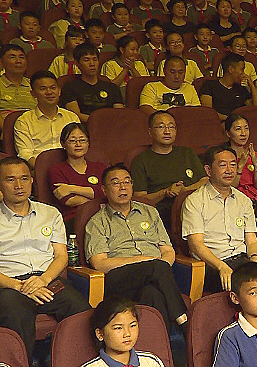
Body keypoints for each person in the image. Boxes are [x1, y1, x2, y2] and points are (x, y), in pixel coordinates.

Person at [0, 156, 90, 357]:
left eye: (24, 178)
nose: (18, 185)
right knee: (16, 315)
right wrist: (19, 286)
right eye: (10, 179)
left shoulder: (51, 214)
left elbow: (61, 256)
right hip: (9, 285)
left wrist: (43, 280)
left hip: (48, 280)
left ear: (32, 181)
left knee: (81, 311)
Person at [85, 164, 189, 334]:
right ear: (104, 189)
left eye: (127, 182)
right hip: (120, 278)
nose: (123, 187)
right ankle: (184, 321)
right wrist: (143, 262)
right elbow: (99, 263)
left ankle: (161, 345)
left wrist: (160, 269)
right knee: (157, 267)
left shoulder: (150, 212)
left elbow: (168, 250)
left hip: (153, 275)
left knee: (152, 294)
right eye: (116, 183)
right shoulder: (97, 222)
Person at [181, 146, 257, 295]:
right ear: (208, 170)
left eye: (233, 164)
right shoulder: (195, 201)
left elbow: (251, 240)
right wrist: (221, 266)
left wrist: (255, 260)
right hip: (213, 264)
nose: (229, 170)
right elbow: (196, 245)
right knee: (246, 284)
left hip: (243, 260)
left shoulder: (243, 200)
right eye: (223, 165)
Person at [130, 111, 208, 227]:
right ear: (150, 132)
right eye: (161, 127)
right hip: (162, 214)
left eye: (171, 127)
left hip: (197, 208)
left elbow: (205, 180)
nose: (167, 131)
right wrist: (165, 192)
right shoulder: (140, 160)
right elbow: (139, 199)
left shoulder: (187, 153)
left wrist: (185, 190)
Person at [15, 71, 80, 168]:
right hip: (39, 169)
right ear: (33, 94)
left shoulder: (71, 117)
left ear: (59, 91)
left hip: (70, 167)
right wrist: (44, 169)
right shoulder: (24, 121)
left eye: (53, 88)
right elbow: (25, 154)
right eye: (43, 89)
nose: (49, 92)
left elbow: (79, 146)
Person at [82, 297, 164, 367]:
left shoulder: (151, 362)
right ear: (100, 334)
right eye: (118, 328)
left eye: (132, 326)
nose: (127, 334)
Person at [48, 123, 106, 221]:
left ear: (88, 143)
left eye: (82, 140)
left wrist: (71, 188)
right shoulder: (56, 170)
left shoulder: (100, 167)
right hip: (74, 218)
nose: (78, 144)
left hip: (103, 216)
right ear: (63, 144)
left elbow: (107, 192)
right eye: (72, 141)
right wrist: (96, 199)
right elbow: (68, 200)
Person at [61, 43, 124, 122]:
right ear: (77, 63)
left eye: (95, 59)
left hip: (111, 126)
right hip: (84, 127)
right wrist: (99, 121)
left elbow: (120, 113)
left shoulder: (112, 87)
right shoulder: (70, 87)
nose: (92, 64)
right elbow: (75, 115)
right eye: (86, 60)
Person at [199, 53, 256, 121]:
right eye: (242, 69)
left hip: (240, 126)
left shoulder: (241, 88)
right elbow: (208, 112)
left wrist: (252, 86)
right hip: (218, 124)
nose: (243, 73)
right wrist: (231, 120)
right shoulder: (209, 85)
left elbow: (256, 110)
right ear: (230, 69)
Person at [224, 113, 257, 203]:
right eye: (238, 129)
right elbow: (230, 188)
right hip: (232, 200)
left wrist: (255, 164)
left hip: (254, 200)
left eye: (246, 128)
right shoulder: (224, 157)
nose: (243, 133)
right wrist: (240, 166)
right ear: (228, 133)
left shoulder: (256, 155)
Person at [0, 45, 35, 121]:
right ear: (1, 62)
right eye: (12, 57)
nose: (18, 61)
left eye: (21, 57)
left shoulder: (33, 84)